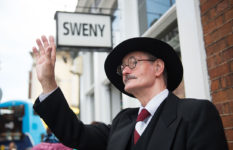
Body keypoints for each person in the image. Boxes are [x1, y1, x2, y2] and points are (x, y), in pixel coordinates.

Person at [32, 36, 228, 150]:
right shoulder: (123, 121)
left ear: (158, 67)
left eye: (133, 63)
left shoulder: (196, 114)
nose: (125, 71)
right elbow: (77, 134)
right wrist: (48, 82)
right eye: (122, 68)